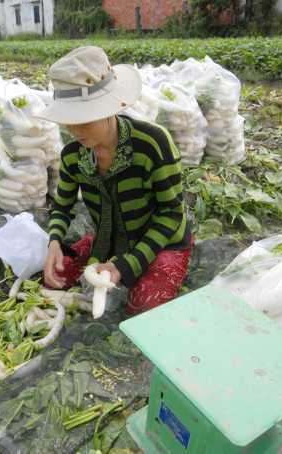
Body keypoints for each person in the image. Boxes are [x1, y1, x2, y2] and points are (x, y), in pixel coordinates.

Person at [38, 46, 194, 315]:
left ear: (109, 107)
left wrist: (124, 266)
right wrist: (54, 242)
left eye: (83, 119)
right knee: (52, 280)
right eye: (67, 121)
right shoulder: (72, 155)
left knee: (144, 308)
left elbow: (171, 215)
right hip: (108, 239)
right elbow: (61, 207)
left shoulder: (152, 143)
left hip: (160, 240)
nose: (74, 131)